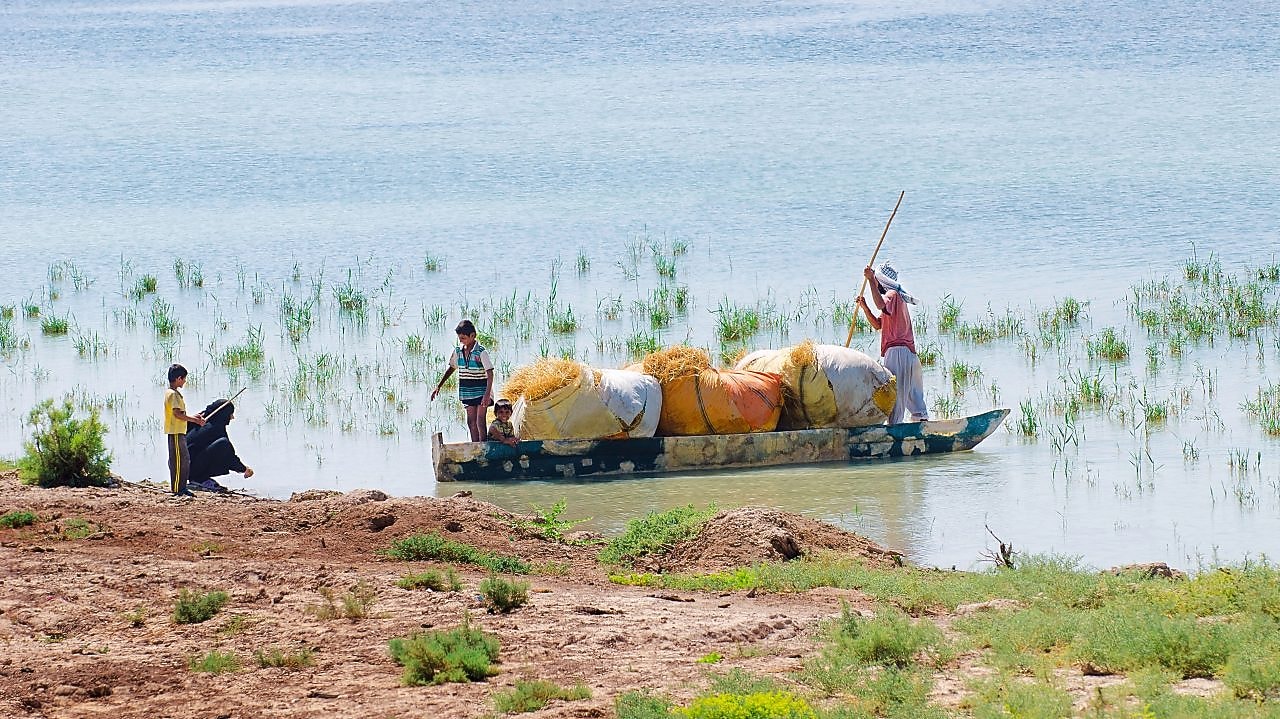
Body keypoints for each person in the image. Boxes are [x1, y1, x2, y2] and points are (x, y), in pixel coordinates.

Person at [856, 262, 929, 424]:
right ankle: (921, 422)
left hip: (897, 352)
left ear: (882, 281)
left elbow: (880, 304)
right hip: (908, 353)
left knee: (895, 394)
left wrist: (870, 280)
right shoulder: (896, 298)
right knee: (913, 393)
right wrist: (865, 307)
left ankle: (895, 429)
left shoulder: (892, 295)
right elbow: (878, 325)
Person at [430, 319, 494, 441]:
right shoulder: (458, 351)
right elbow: (452, 368)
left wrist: (487, 394)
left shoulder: (481, 352)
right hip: (467, 391)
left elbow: (490, 373)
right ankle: (475, 446)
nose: (461, 341)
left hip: (482, 390)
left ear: (473, 336)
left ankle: (484, 446)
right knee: (471, 421)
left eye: (463, 338)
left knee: (480, 420)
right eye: (460, 338)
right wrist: (439, 386)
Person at [186, 399, 254, 493]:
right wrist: (244, 469)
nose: (232, 417)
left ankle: (198, 477)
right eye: (230, 414)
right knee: (224, 444)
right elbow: (229, 456)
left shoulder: (199, 421)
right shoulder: (215, 428)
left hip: (181, 467)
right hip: (189, 469)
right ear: (224, 414)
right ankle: (199, 478)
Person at [163, 364, 205, 497]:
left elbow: (180, 413)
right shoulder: (173, 394)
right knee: (178, 460)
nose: (185, 381)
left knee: (185, 459)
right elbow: (177, 414)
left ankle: (182, 487)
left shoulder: (174, 394)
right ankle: (177, 489)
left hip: (179, 431)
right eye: (184, 378)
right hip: (175, 432)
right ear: (178, 378)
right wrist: (195, 420)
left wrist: (194, 417)